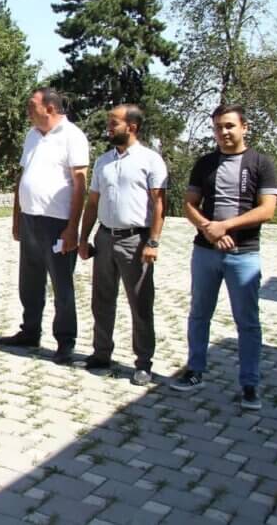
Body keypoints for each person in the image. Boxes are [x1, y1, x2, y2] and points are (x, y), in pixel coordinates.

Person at [170, 104, 277, 411]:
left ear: (244, 127)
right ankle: (195, 370)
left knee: (248, 322)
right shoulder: (205, 163)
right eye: (218, 127)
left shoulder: (261, 163)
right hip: (205, 252)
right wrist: (209, 229)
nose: (223, 132)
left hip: (243, 255)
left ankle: (250, 384)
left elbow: (267, 210)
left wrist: (225, 226)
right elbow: (189, 204)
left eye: (229, 126)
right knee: (199, 313)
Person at [77, 105, 167, 385]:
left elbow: (159, 203)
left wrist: (153, 241)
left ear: (132, 127)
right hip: (105, 237)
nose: (109, 127)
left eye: (113, 123)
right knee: (102, 300)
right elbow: (93, 202)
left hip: (135, 240)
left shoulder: (150, 160)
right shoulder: (103, 161)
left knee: (140, 303)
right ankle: (101, 353)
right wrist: (83, 238)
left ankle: (143, 363)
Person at [0, 87, 89, 364]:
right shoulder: (32, 135)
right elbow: (23, 177)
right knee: (29, 280)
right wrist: (17, 217)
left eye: (32, 105)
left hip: (57, 222)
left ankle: (65, 341)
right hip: (30, 218)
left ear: (49, 108)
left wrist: (72, 228)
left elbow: (80, 184)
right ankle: (30, 331)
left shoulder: (72, 136)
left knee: (61, 285)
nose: (27, 109)